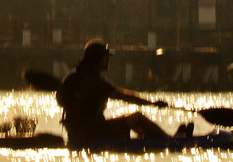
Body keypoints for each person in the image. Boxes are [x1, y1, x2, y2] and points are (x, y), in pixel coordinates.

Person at [56, 39, 188, 149]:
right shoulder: (95, 82)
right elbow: (126, 97)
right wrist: (153, 104)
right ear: (99, 59)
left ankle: (155, 140)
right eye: (106, 57)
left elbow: (60, 100)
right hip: (95, 133)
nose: (108, 60)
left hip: (75, 134)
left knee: (133, 122)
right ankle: (172, 142)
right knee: (137, 118)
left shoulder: (70, 77)